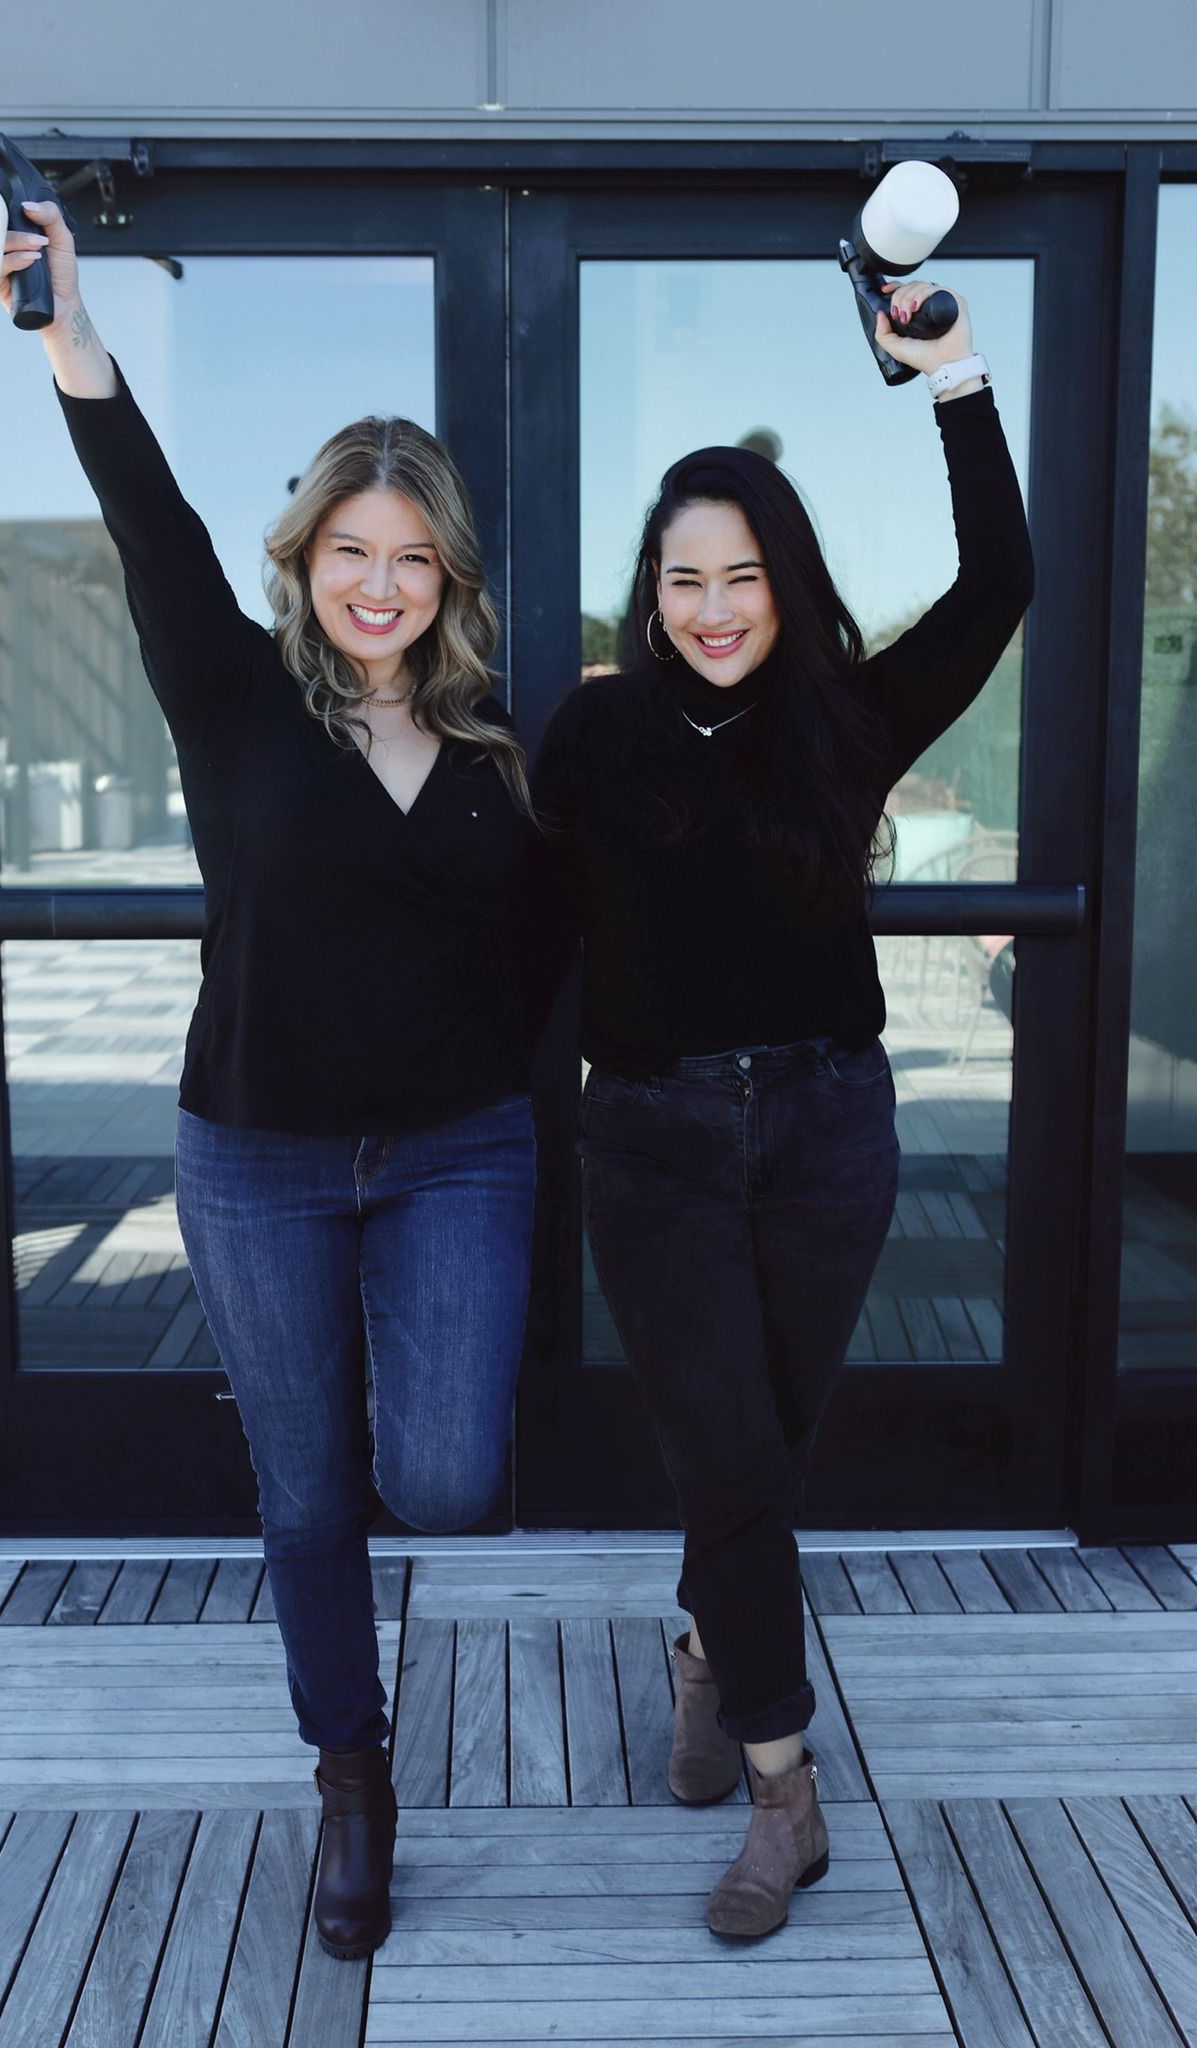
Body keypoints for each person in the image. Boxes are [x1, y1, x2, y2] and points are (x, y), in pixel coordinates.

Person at [0, 203, 540, 1959]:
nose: (377, 585)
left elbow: (561, 937)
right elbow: (143, 515)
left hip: (460, 1152)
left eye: (411, 560)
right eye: (347, 551)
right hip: (255, 1162)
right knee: (305, 1493)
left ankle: (378, 1390)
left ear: (447, 579)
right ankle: (352, 1781)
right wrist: (71, 329)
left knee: (445, 1476)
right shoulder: (231, 700)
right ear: (305, 557)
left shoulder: (494, 747)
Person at [532, 282, 1033, 1939]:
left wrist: (948, 375)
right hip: (653, 1142)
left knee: (761, 1453)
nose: (713, 606)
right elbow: (509, 920)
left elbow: (1002, 580)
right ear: (649, 588)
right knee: (731, 1456)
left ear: (784, 580)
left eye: (742, 575)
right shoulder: (592, 732)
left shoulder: (846, 720)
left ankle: (701, 1645)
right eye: (685, 578)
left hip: (827, 1133)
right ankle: (782, 1790)